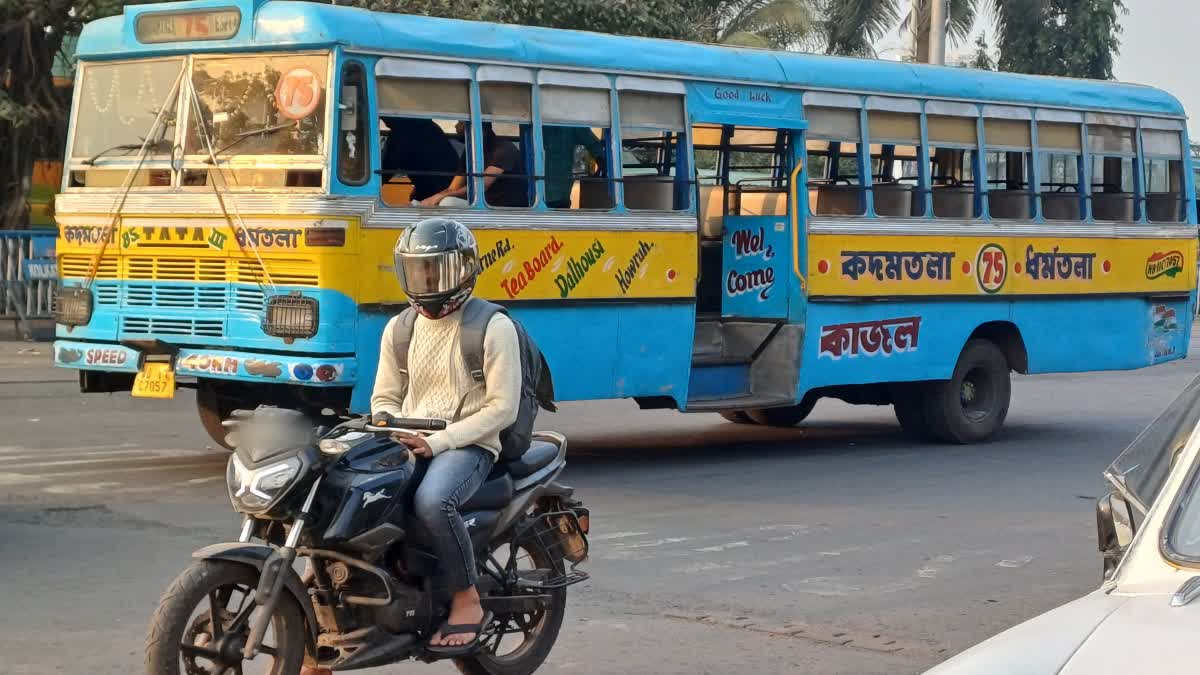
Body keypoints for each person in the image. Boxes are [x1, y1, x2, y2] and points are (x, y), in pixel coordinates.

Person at [371, 217, 521, 653]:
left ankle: (465, 597)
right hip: (408, 440)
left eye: (436, 269)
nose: (427, 280)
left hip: (470, 444)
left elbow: (502, 408)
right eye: (418, 270)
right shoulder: (400, 328)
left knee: (433, 502)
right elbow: (384, 397)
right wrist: (389, 425)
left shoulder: (493, 327)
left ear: (463, 269)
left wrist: (438, 441)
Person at [420, 122, 528, 208]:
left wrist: (441, 197)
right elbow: (453, 188)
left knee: (448, 202)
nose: (456, 126)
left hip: (502, 208)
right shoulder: (469, 151)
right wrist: (431, 200)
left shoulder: (504, 149)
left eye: (461, 122)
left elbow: (481, 186)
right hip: (484, 206)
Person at [380, 117, 459, 203]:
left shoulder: (401, 133)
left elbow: (384, 171)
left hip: (440, 190)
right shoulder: (428, 126)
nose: (384, 120)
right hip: (443, 183)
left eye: (384, 117)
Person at [543, 125, 605, 209]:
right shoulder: (570, 125)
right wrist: (601, 165)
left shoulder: (571, 124)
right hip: (543, 190)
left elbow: (592, 143)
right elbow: (593, 143)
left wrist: (601, 165)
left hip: (559, 192)